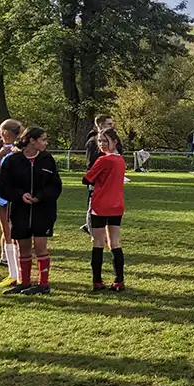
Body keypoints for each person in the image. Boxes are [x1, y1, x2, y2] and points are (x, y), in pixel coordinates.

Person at [0, 126, 63, 295]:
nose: (46, 143)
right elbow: (4, 186)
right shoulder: (13, 161)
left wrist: (41, 196)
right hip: (20, 210)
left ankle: (43, 284)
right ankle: (24, 282)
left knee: (41, 245)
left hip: (43, 210)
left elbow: (55, 185)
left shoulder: (47, 159)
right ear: (31, 141)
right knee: (23, 246)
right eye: (43, 139)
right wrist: (20, 195)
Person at [83, 130, 127, 292]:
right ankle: (119, 280)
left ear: (115, 142)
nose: (102, 144)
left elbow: (86, 179)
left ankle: (97, 280)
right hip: (117, 205)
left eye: (105, 141)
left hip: (101, 204)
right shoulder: (121, 160)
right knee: (115, 243)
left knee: (98, 243)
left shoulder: (103, 160)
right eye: (100, 141)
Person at [82, 115, 123, 234]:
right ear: (100, 125)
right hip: (97, 184)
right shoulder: (92, 142)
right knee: (94, 209)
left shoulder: (114, 148)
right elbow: (91, 165)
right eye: (109, 124)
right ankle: (91, 229)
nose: (112, 126)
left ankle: (96, 230)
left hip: (111, 189)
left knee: (111, 235)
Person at [0, 118, 22, 287]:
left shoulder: (14, 152)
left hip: (9, 197)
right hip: (7, 196)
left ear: (6, 133)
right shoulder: (9, 151)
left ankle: (16, 274)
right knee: (9, 233)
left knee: (11, 234)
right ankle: (14, 273)